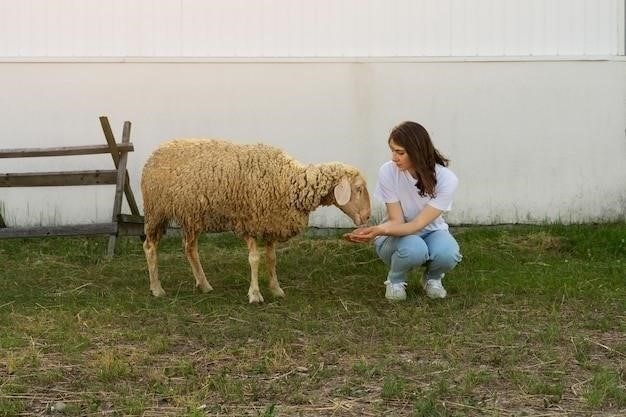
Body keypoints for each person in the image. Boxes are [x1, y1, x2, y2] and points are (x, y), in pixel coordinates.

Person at [345, 121, 462, 301]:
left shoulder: (446, 179)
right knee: (414, 248)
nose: (394, 157)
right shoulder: (388, 172)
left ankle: (433, 279)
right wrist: (376, 231)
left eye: (400, 152)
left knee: (449, 253)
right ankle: (395, 281)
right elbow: (397, 220)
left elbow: (417, 224)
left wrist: (378, 230)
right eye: (392, 150)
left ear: (417, 151)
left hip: (431, 231)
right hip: (395, 235)